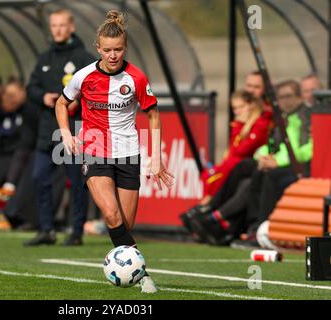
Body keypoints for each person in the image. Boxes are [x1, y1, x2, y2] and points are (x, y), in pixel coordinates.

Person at [55, 10, 174, 293]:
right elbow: (61, 104)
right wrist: (66, 134)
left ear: (125, 47)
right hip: (94, 150)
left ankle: (127, 260)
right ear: (98, 48)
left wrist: (156, 157)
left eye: (118, 49)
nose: (112, 55)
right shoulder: (83, 76)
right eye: (107, 50)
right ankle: (143, 275)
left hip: (128, 153)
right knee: (110, 215)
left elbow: (154, 115)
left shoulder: (136, 79)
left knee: (124, 224)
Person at [190, 80, 312, 246]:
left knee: (256, 173)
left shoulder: (302, 117)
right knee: (248, 173)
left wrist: (276, 161)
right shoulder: (283, 117)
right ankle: (234, 222)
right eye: (279, 97)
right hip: (278, 162)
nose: (282, 101)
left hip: (298, 168)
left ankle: (223, 216)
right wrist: (263, 157)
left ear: (298, 97)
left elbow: (302, 149)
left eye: (287, 96)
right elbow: (271, 145)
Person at [23, 8, 95, 246]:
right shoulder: (45, 58)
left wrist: (75, 102)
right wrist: (43, 97)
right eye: (54, 26)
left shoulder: (84, 58)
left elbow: (93, 88)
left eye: (62, 25)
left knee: (77, 182)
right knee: (39, 177)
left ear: (71, 27)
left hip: (74, 129)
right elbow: (30, 88)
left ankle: (76, 232)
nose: (58, 30)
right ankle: (47, 229)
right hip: (47, 129)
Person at [180, 90, 271, 236]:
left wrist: (238, 127)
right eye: (234, 108)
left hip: (252, 166)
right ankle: (209, 212)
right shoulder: (243, 125)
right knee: (212, 174)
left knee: (232, 173)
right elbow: (234, 151)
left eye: (240, 107)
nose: (237, 111)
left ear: (252, 105)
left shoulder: (260, 123)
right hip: (242, 167)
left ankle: (211, 210)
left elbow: (241, 150)